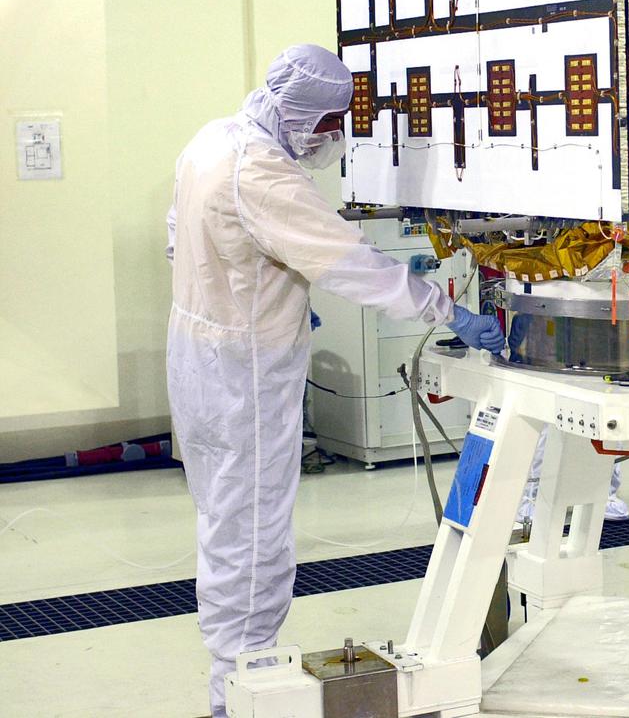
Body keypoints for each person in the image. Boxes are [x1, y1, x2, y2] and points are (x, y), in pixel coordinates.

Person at [165, 44, 505, 718]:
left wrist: (256, 281)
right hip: (246, 373)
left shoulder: (211, 141)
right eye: (331, 125)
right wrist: (449, 311)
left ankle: (232, 676)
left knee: (223, 514)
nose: (334, 139)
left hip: (197, 350)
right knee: (253, 530)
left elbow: (181, 234)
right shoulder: (263, 173)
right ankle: (241, 687)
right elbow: (353, 263)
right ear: (304, 118)